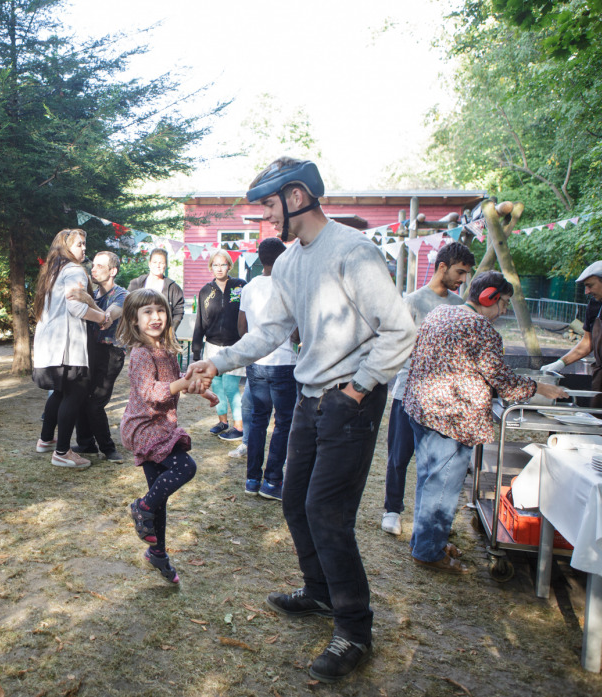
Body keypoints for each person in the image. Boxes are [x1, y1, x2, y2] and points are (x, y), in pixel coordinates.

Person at [185, 158, 416, 682]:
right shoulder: (288, 263)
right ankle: (318, 593)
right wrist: (216, 360)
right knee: (294, 501)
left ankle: (355, 628)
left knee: (326, 511)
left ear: (296, 197)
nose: (265, 218)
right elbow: (269, 332)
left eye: (269, 205)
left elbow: (400, 330)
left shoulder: (354, 253)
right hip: (309, 397)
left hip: (349, 401)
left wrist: (359, 388)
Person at [404, 271, 567, 573]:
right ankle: (428, 553)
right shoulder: (481, 328)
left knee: (428, 481)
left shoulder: (442, 312)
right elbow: (503, 380)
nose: (504, 311)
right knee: (442, 489)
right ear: (487, 297)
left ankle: (426, 542)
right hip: (452, 419)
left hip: (422, 410)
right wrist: (541, 388)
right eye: (503, 303)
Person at [120, 288, 218, 583]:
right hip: (145, 429)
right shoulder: (141, 354)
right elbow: (152, 395)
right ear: (134, 321)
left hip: (162, 427)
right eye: (147, 312)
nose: (155, 317)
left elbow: (179, 383)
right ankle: (142, 507)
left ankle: (157, 553)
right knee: (185, 467)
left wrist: (203, 390)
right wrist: (181, 384)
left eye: (159, 310)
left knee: (158, 496)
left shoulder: (166, 351)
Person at [381, 242, 475, 536]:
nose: (463, 279)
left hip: (444, 399)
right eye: (460, 271)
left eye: (467, 274)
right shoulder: (412, 301)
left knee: (433, 462)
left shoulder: (461, 307)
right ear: (442, 267)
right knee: (399, 455)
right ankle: (392, 509)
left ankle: (426, 516)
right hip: (407, 391)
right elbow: (397, 345)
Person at [32, 228, 110, 469]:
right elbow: (76, 308)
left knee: (60, 391)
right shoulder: (74, 270)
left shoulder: (52, 271)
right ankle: (63, 452)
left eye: (85, 244)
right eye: (79, 245)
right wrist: (102, 318)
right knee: (74, 393)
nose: (84, 249)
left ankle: (46, 440)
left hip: (50, 344)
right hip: (66, 345)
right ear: (66, 247)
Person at [238, 237, 297, 500]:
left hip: (256, 362)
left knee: (259, 420)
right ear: (283, 258)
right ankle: (272, 481)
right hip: (283, 363)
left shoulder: (249, 288)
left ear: (259, 259)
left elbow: (242, 328)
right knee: (283, 423)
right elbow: (296, 334)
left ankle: (252, 479)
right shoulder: (289, 286)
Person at [71, 251, 128, 463]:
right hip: (89, 351)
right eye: (93, 265)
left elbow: (107, 319)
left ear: (113, 271)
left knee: (95, 403)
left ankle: (109, 449)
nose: (93, 269)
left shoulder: (122, 296)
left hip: (111, 354)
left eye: (99, 266)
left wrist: (87, 301)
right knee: (79, 396)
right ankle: (86, 444)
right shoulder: (93, 294)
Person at [192, 249, 246, 441]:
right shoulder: (206, 291)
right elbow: (200, 322)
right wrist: (196, 352)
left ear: (229, 266)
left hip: (234, 346)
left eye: (223, 264)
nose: (219, 268)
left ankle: (239, 427)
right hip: (213, 346)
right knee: (217, 386)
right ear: (211, 267)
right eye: (216, 265)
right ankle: (223, 422)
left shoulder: (240, 286)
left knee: (231, 387)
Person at [542, 260, 602, 408]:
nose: (586, 291)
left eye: (590, 285)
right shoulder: (594, 306)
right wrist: (560, 363)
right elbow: (587, 343)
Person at [128, 248, 185, 330]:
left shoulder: (173, 288)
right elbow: (127, 308)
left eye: (161, 263)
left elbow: (178, 312)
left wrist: (171, 332)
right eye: (155, 262)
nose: (158, 266)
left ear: (165, 265)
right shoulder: (136, 284)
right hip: (138, 333)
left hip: (163, 334)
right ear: (149, 264)